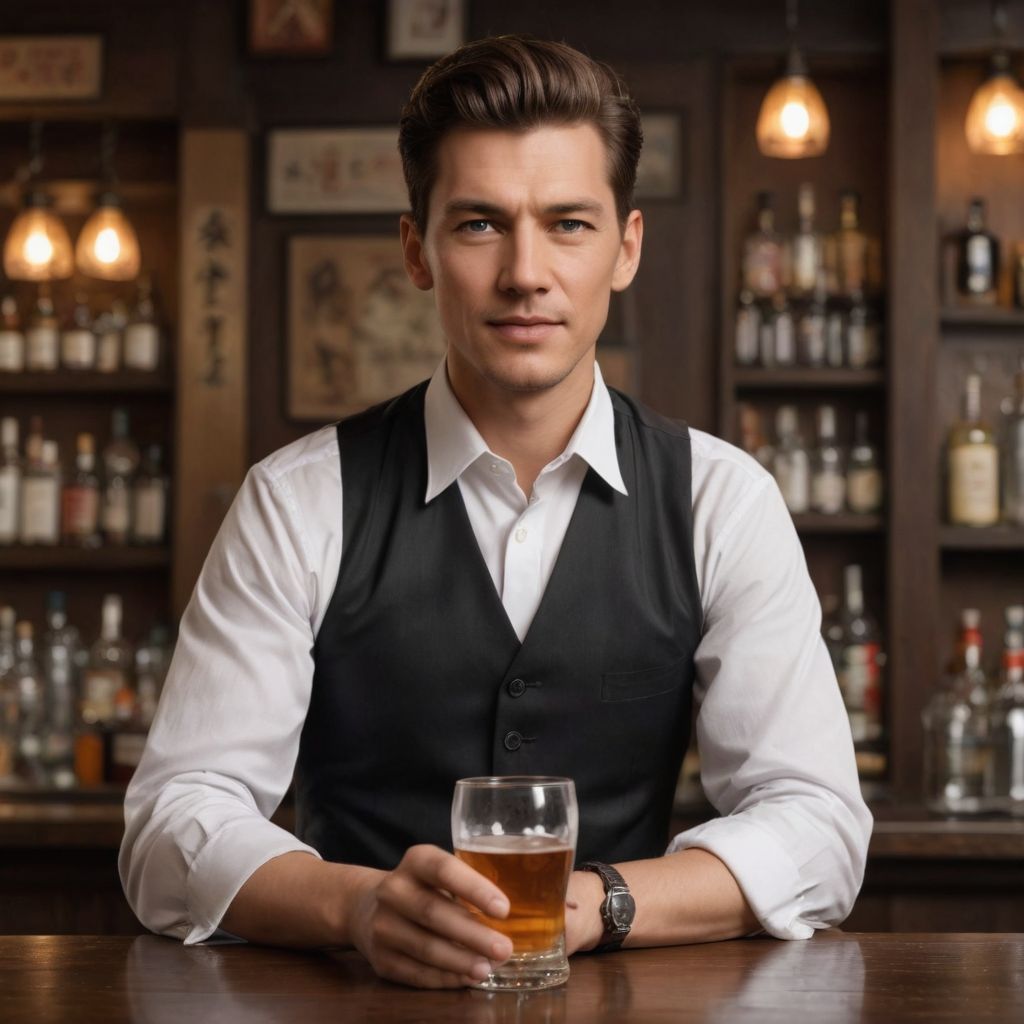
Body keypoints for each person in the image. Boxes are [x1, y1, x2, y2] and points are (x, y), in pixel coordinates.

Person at [120, 35, 872, 989]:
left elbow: (819, 825)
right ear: (417, 251)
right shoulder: (297, 499)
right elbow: (172, 821)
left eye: (568, 224)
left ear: (626, 248)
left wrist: (602, 904)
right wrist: (354, 906)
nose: (526, 272)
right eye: (480, 224)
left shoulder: (722, 500)